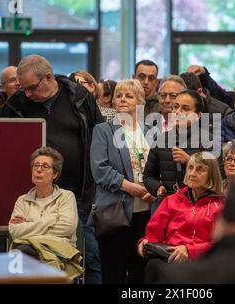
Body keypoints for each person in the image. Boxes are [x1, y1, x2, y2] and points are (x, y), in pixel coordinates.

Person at [0, 54, 104, 284]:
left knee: (90, 256)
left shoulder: (79, 96)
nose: (27, 93)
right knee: (34, 254)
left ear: (48, 77)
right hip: (34, 195)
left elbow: (100, 136)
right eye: (23, 88)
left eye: (31, 88)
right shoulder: (18, 102)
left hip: (79, 191)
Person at [91, 79, 155, 284]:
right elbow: (99, 169)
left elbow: (160, 166)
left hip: (148, 211)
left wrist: (153, 188)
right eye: (118, 95)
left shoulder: (151, 131)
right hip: (115, 213)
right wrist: (130, 187)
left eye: (128, 95)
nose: (122, 99)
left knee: (141, 273)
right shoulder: (104, 130)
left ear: (139, 101)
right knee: (114, 273)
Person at [9, 147, 82, 279]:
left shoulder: (66, 196)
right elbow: (15, 230)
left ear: (55, 174)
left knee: (21, 253)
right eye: (36, 165)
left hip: (58, 252)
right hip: (29, 250)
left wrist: (29, 226)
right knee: (20, 254)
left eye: (45, 166)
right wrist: (51, 220)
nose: (38, 169)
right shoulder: (22, 200)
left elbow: (67, 228)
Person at [138, 151, 224, 264]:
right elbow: (153, 234)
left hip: (203, 263)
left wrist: (190, 250)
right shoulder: (171, 200)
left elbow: (223, 244)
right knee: (153, 265)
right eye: (190, 168)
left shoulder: (221, 206)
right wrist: (145, 242)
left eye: (200, 169)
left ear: (211, 175)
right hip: (169, 258)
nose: (192, 173)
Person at [143, 90, 218, 201]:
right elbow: (148, 177)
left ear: (198, 115)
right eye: (175, 107)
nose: (178, 112)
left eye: (185, 108)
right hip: (168, 204)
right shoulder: (161, 139)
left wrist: (190, 161)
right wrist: (157, 187)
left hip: (198, 205)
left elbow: (217, 177)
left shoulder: (210, 140)